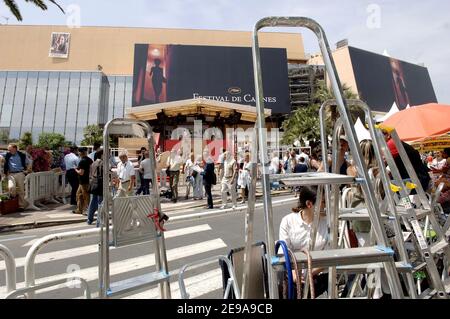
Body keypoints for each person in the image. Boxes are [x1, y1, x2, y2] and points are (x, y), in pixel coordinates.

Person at [279, 186, 329, 296]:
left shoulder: (326, 223)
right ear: (309, 204)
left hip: (317, 275)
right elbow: (283, 252)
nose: (326, 206)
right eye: (323, 202)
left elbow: (329, 253)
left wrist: (310, 273)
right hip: (292, 274)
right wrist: (293, 273)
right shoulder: (288, 221)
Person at [3, 143, 31, 210]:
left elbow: (30, 162)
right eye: (8, 149)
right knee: (11, 187)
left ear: (15, 148)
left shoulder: (22, 155)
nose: (8, 150)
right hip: (11, 174)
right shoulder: (7, 154)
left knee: (21, 190)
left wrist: (27, 170)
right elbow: (0, 156)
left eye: (10, 149)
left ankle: (21, 206)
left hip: (20, 173)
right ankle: (14, 199)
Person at [73, 147, 93, 215]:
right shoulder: (89, 160)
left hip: (83, 181)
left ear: (80, 153)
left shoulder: (82, 161)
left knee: (85, 196)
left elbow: (81, 172)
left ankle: (87, 210)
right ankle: (79, 209)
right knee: (79, 195)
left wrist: (75, 169)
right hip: (86, 181)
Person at [87, 150, 104, 225]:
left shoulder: (93, 163)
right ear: (101, 155)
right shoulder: (102, 163)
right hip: (100, 184)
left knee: (92, 202)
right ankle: (99, 222)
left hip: (93, 184)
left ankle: (89, 219)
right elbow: (103, 174)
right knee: (100, 203)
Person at [431, 148, 450, 213]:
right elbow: (444, 171)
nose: (442, 154)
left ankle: (435, 202)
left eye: (443, 152)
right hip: (446, 179)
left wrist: (435, 171)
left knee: (436, 187)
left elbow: (443, 171)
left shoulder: (448, 159)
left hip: (447, 180)